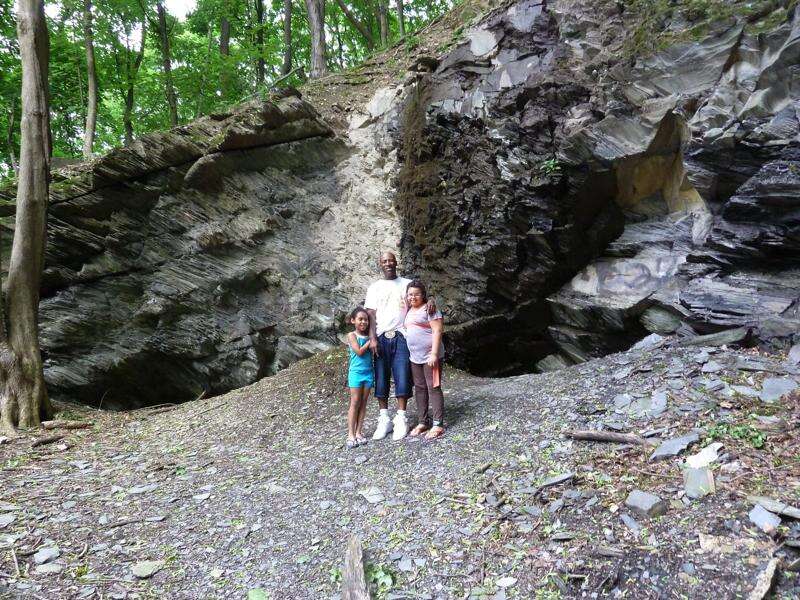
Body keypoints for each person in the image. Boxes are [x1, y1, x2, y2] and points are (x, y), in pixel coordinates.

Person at [364, 251, 437, 441]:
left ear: (396, 262)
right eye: (384, 261)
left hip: (402, 336)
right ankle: (384, 418)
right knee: (381, 376)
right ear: (380, 264)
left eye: (390, 260)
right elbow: (370, 315)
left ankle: (401, 417)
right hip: (380, 336)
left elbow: (420, 297)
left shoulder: (406, 284)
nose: (388, 263)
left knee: (402, 375)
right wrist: (372, 338)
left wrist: (431, 300)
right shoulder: (374, 287)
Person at [404, 280, 446, 439]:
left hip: (430, 356)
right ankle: (423, 421)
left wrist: (434, 354)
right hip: (415, 357)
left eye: (416, 294)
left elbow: (437, 330)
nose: (412, 297)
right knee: (420, 388)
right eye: (410, 294)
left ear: (423, 295)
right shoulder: (409, 309)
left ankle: (438, 424)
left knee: (433, 387)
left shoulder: (430, 309)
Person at [345, 307, 373, 449]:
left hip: (368, 372)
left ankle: (359, 432)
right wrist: (371, 341)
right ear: (353, 320)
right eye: (360, 319)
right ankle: (350, 434)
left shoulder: (369, 334)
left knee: (363, 402)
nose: (363, 322)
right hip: (356, 373)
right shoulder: (352, 335)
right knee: (355, 402)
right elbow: (359, 352)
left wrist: (372, 337)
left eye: (366, 319)